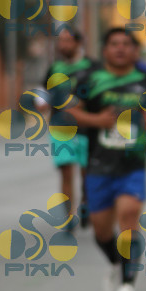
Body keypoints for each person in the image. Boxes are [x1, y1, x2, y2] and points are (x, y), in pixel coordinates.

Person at [64, 23, 146, 291]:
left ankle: (127, 286)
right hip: (99, 163)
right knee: (101, 231)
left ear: (134, 50)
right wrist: (97, 121)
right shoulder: (90, 78)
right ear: (105, 50)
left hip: (133, 162)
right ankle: (115, 262)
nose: (120, 49)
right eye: (114, 44)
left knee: (129, 215)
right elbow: (70, 109)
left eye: (126, 44)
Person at [45, 24, 90, 233]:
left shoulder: (91, 67)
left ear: (78, 43)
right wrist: (42, 102)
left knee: (87, 172)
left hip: (87, 127)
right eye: (60, 41)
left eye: (67, 40)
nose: (63, 45)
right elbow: (46, 92)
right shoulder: (55, 68)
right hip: (60, 126)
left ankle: (86, 204)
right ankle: (69, 216)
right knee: (65, 172)